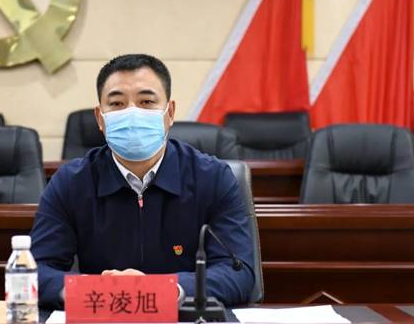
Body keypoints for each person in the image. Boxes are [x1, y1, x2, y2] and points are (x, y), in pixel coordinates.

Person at [30, 54, 255, 309]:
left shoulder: (212, 177)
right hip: (103, 319)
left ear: (170, 113)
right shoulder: (71, 182)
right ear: (100, 119)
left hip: (184, 323)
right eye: (117, 103)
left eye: (146, 101)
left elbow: (238, 272)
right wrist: (99, 289)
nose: (132, 114)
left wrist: (159, 289)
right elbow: (33, 271)